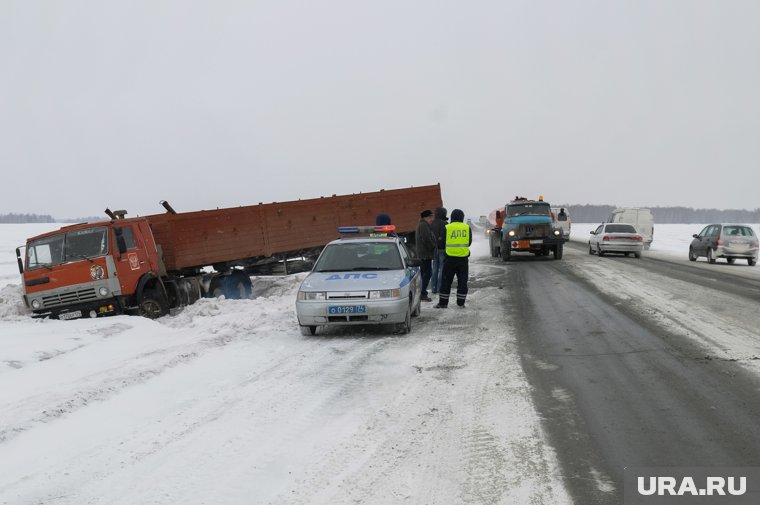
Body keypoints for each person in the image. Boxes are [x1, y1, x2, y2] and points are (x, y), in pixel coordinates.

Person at [435, 209, 472, 309]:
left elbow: (441, 244)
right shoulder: (467, 227)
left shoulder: (447, 227)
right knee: (462, 282)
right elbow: (469, 242)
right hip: (463, 260)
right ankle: (461, 303)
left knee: (446, 282)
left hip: (450, 259)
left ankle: (443, 303)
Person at [415, 210, 436, 301]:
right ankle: (422, 293)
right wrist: (433, 246)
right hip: (425, 254)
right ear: (426, 217)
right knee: (427, 273)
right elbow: (426, 238)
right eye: (431, 217)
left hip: (424, 253)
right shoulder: (423, 225)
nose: (432, 219)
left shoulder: (422, 224)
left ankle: (422, 292)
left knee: (425, 273)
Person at [430, 207, 448, 294]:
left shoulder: (431, 223)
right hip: (442, 249)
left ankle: (433, 288)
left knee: (435, 269)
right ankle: (440, 288)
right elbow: (445, 237)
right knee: (442, 269)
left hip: (434, 249)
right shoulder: (445, 224)